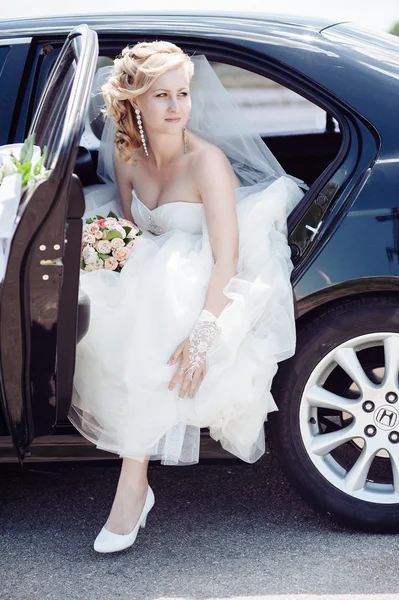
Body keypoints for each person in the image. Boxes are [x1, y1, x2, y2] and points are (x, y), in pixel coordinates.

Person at [68, 41, 306, 553]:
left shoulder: (208, 163)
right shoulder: (127, 152)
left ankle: (132, 488)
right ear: (135, 103)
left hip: (209, 277)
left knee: (156, 314)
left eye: (183, 93)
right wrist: (109, 250)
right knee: (91, 290)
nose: (177, 108)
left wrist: (204, 330)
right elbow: (135, 231)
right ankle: (134, 482)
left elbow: (226, 259)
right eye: (162, 96)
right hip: (154, 270)